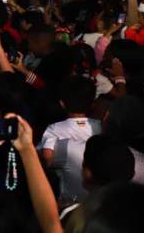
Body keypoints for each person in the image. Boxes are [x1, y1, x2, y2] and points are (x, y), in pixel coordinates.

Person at [38, 75, 101, 204]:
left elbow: (46, 158)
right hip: (100, 199)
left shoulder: (54, 129)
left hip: (70, 201)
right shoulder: (101, 126)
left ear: (62, 104)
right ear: (93, 104)